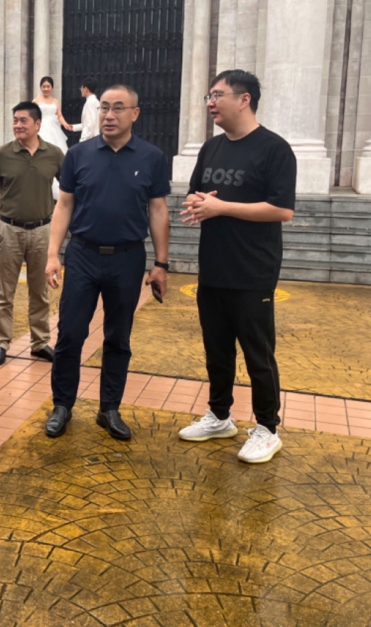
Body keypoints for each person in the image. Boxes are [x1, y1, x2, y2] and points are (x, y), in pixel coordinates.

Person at [177, 70, 296, 464]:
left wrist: (221, 207)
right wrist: (198, 204)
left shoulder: (274, 149)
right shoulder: (211, 148)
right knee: (217, 349)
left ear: (244, 99)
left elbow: (282, 210)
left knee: (258, 353)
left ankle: (268, 428)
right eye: (209, 95)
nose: (211, 103)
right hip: (213, 266)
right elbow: (196, 194)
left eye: (218, 95)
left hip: (253, 270)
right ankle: (219, 416)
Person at [44, 85, 170, 440]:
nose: (109, 115)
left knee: (118, 337)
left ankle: (109, 408)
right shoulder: (78, 155)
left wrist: (161, 263)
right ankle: (62, 405)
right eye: (103, 108)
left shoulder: (151, 157)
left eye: (118, 108)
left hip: (128, 259)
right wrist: (53, 254)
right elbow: (64, 205)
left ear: (135, 113)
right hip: (83, 255)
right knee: (70, 333)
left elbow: (158, 210)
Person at [0, 102, 65, 366]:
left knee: (39, 291)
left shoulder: (54, 154)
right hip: (9, 230)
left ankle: (40, 343)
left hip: (42, 231)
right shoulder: (3, 154)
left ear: (37, 124)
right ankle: (1, 343)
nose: (17, 125)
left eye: (23, 120)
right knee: (5, 293)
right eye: (15, 120)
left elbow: (69, 191)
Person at [33, 76, 73, 153]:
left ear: (52, 87)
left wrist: (65, 124)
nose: (46, 89)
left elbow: (59, 115)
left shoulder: (56, 101)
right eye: (44, 87)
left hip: (53, 128)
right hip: (40, 127)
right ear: (40, 87)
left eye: (48, 86)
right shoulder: (36, 101)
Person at [77, 77, 101, 143]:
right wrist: (73, 127)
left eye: (81, 88)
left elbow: (90, 124)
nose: (81, 90)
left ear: (86, 89)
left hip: (90, 140)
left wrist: (83, 140)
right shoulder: (96, 101)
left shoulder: (89, 103)